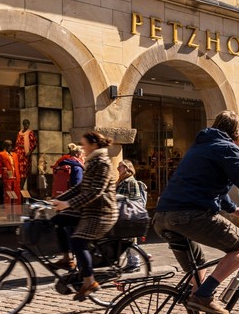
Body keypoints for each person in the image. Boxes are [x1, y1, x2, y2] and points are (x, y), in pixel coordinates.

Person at [153, 111, 239, 314]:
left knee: (198, 271)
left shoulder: (201, 146)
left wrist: (232, 208)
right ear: (238, 133)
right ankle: (205, 294)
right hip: (190, 215)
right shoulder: (227, 148)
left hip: (162, 216)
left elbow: (207, 186)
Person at [51, 132, 119, 300]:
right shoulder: (92, 162)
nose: (82, 148)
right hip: (88, 211)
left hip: (102, 213)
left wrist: (69, 204)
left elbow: (96, 191)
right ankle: (67, 258)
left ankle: (89, 282)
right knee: (58, 220)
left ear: (94, 145)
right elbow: (80, 188)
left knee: (78, 240)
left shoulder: (102, 163)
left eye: (85, 144)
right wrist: (58, 200)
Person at [116, 159, 146, 272]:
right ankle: (132, 262)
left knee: (130, 240)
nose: (118, 169)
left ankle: (135, 263)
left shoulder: (131, 182)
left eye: (120, 167)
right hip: (122, 215)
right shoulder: (122, 181)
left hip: (128, 215)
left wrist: (120, 200)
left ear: (127, 168)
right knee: (126, 240)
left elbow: (136, 200)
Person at [15, 119, 37, 189]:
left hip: (25, 154)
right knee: (18, 169)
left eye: (27, 124)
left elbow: (34, 144)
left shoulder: (30, 132)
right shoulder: (20, 132)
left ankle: (22, 187)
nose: (26, 125)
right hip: (19, 153)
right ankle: (19, 187)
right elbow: (17, 142)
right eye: (24, 124)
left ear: (29, 124)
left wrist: (29, 152)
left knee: (24, 170)